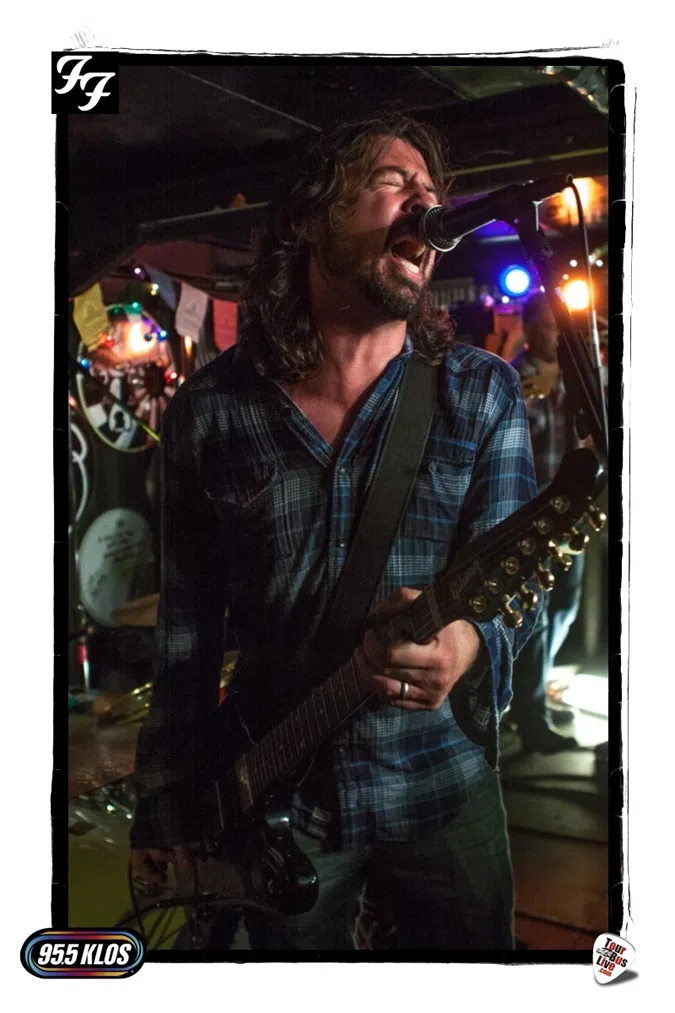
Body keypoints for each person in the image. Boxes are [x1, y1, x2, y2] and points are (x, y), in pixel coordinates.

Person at [129, 115, 542, 951]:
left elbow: (518, 590)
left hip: (441, 783)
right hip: (275, 790)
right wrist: (167, 804)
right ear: (311, 218)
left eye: (432, 191)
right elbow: (186, 633)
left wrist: (466, 642)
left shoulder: (480, 392)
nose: (425, 204)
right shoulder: (211, 411)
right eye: (393, 183)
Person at [508, 292, 585, 753]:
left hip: (569, 515)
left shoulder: (578, 377)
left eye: (559, 325)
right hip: (530, 517)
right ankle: (530, 715)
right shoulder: (511, 377)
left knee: (565, 607)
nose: (556, 334)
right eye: (549, 325)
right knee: (533, 616)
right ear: (530, 327)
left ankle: (532, 693)